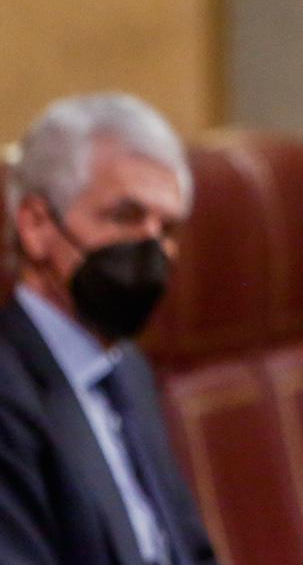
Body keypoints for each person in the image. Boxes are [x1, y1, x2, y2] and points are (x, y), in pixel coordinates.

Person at [0, 93, 217, 565]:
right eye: (126, 217)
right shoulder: (8, 388)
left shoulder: (127, 370)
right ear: (36, 225)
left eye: (168, 231)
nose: (152, 250)